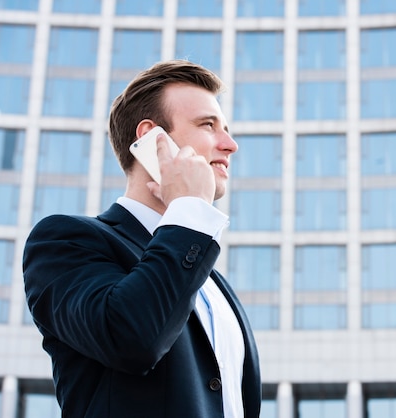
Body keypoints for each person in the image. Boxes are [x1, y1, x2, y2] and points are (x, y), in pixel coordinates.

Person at [22, 60, 261, 418]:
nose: (230, 145)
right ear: (152, 139)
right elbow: (131, 338)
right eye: (208, 125)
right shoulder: (65, 240)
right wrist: (189, 210)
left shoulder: (213, 281)